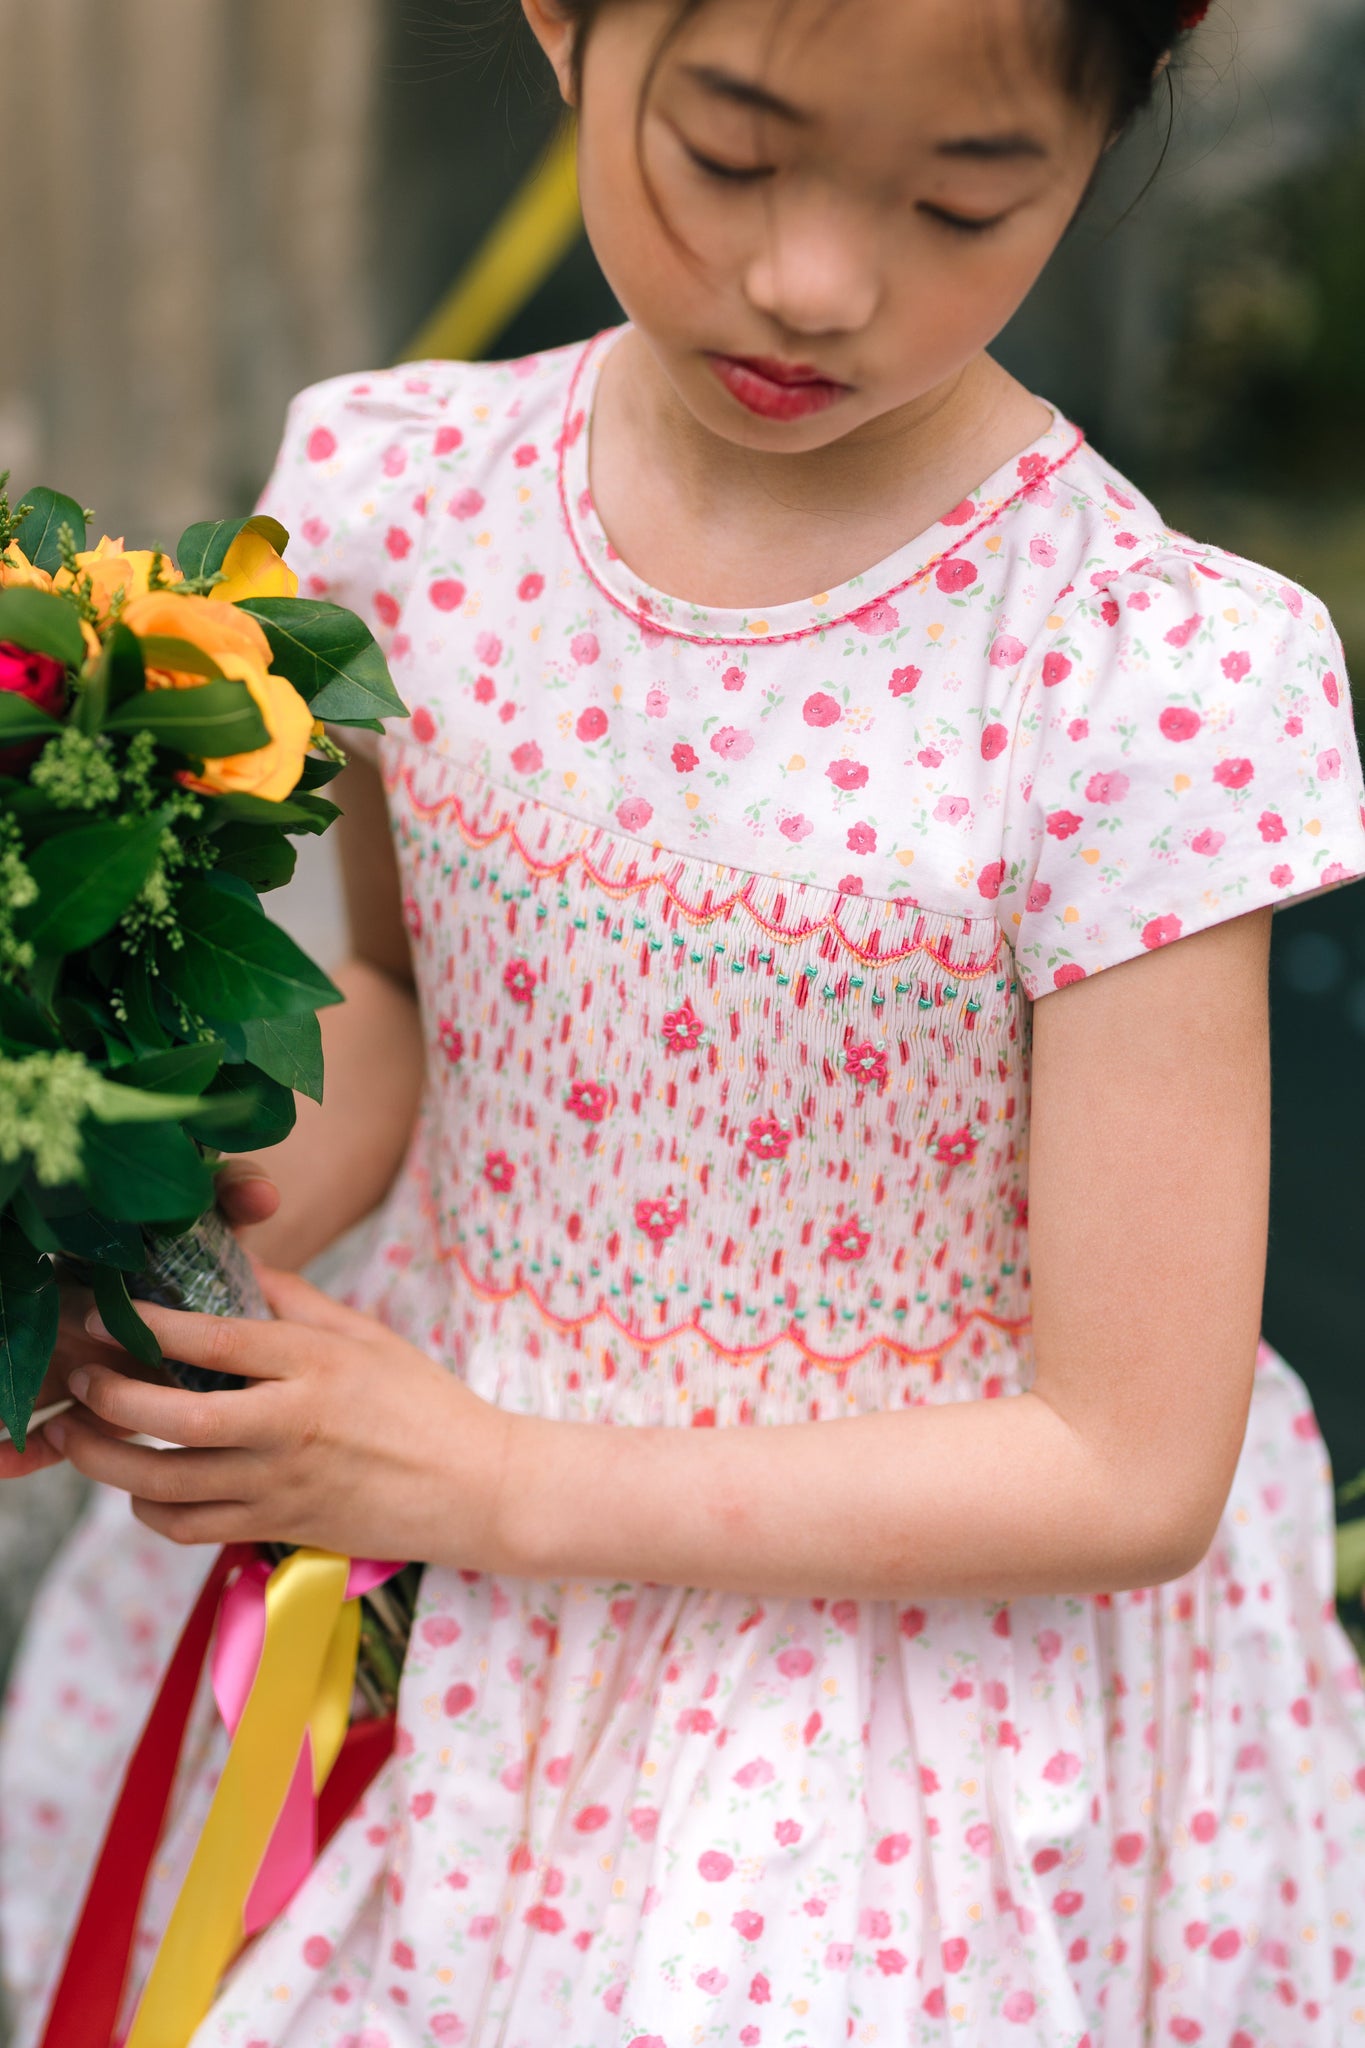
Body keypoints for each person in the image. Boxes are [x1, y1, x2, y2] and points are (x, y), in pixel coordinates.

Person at [4, 0, 1365, 2041]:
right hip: (420, 1578)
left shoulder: (1136, 683)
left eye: (958, 196)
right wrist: (182, 1228)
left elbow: (1122, 1458)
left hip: (866, 1717)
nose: (813, 277)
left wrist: (482, 1480)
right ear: (565, 19)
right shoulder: (405, 497)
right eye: (731, 151)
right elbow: (397, 1003)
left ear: (1097, 136)